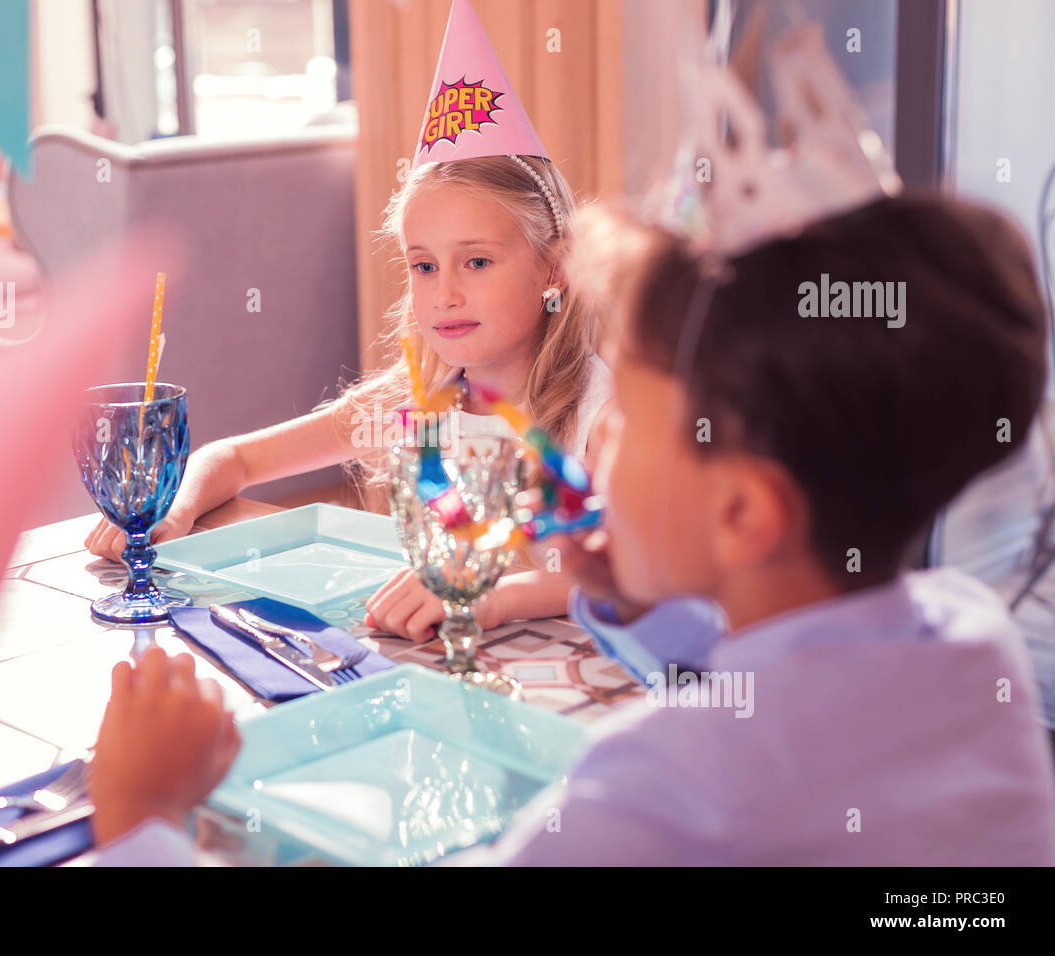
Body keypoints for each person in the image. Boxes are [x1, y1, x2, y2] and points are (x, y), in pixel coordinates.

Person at [89, 193, 1055, 866]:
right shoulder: (973, 635)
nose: (604, 445)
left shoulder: (666, 783)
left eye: (626, 417)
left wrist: (140, 819)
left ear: (743, 513)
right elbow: (785, 672)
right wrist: (628, 588)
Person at [83, 0, 614, 642]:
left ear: (554, 271)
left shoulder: (600, 416)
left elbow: (636, 576)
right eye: (423, 266)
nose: (443, 294)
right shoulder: (413, 401)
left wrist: (490, 591)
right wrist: (174, 507)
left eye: (476, 261)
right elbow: (234, 460)